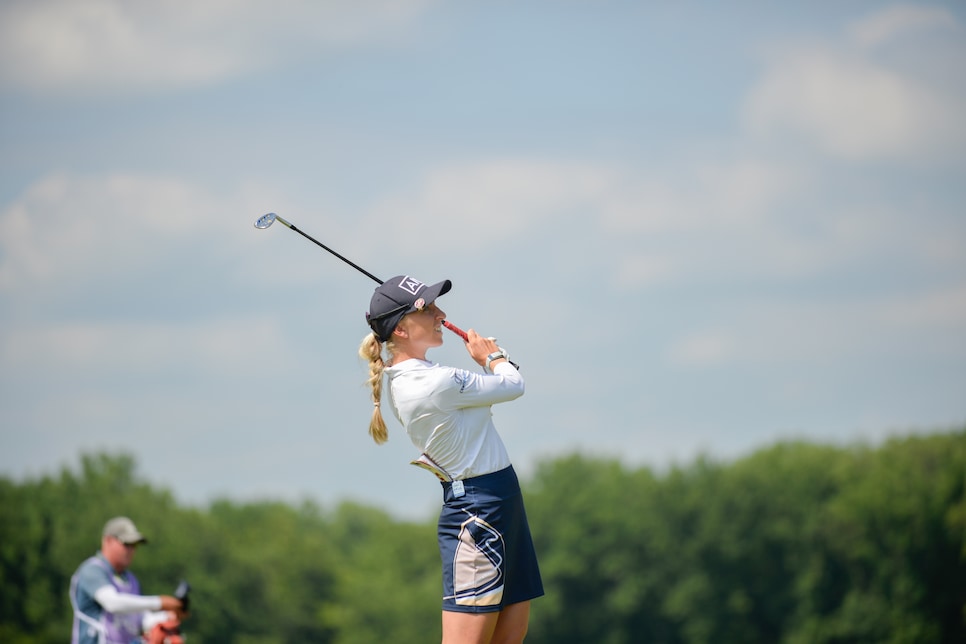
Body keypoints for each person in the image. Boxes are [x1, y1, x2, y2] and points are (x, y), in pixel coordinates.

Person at [359, 275, 543, 644]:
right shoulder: (430, 382)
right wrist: (493, 356)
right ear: (401, 331)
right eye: (426, 309)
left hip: (502, 501)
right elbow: (513, 384)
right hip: (478, 512)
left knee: (509, 638)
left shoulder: (427, 376)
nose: (440, 314)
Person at [70, 516, 186, 644]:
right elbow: (112, 602)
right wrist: (160, 602)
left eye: (134, 545)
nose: (131, 550)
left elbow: (140, 620)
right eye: (126, 544)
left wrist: (167, 618)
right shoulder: (92, 570)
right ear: (107, 541)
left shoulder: (131, 580)